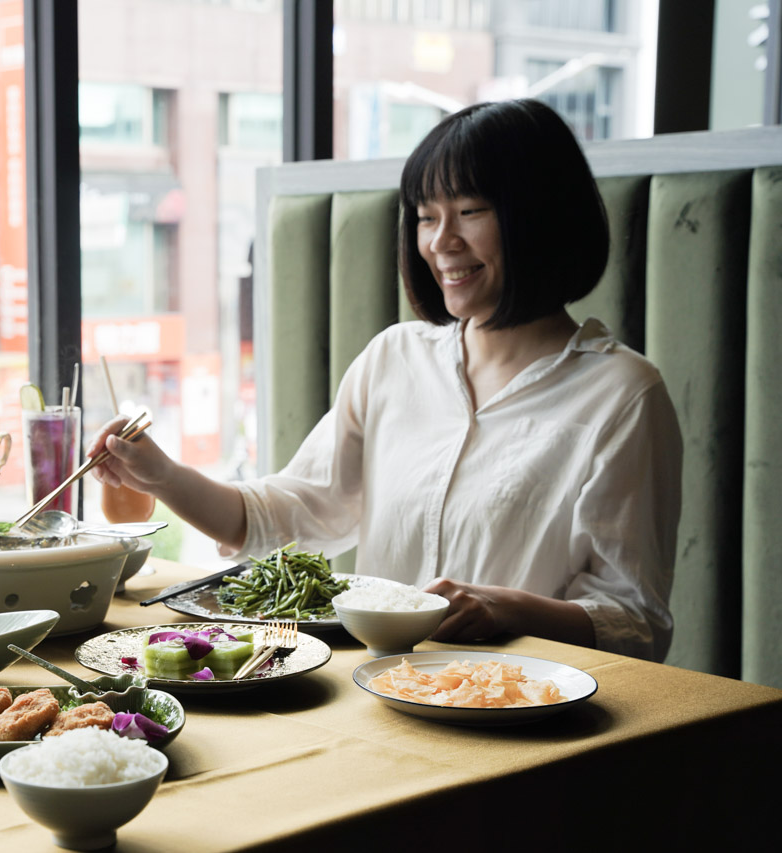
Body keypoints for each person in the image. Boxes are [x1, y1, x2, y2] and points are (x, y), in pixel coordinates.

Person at [87, 99, 683, 662]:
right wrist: (161, 475)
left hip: (515, 711)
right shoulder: (394, 358)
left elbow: (635, 621)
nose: (440, 242)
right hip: (377, 690)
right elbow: (291, 512)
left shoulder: (622, 393)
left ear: (540, 214)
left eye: (470, 212)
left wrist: (508, 608)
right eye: (426, 217)